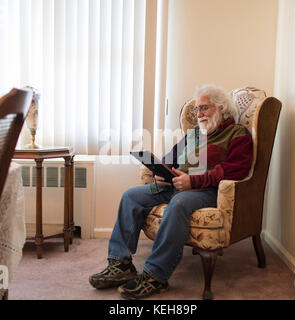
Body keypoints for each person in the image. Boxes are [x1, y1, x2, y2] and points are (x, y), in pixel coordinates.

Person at [89, 84, 253, 299]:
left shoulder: (237, 134)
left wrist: (193, 181)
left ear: (221, 108)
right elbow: (171, 158)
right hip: (177, 185)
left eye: (204, 108)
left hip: (209, 191)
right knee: (131, 196)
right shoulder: (195, 133)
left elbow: (235, 171)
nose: (199, 114)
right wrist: (161, 172)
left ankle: (156, 275)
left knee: (180, 203)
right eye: (197, 110)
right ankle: (121, 265)